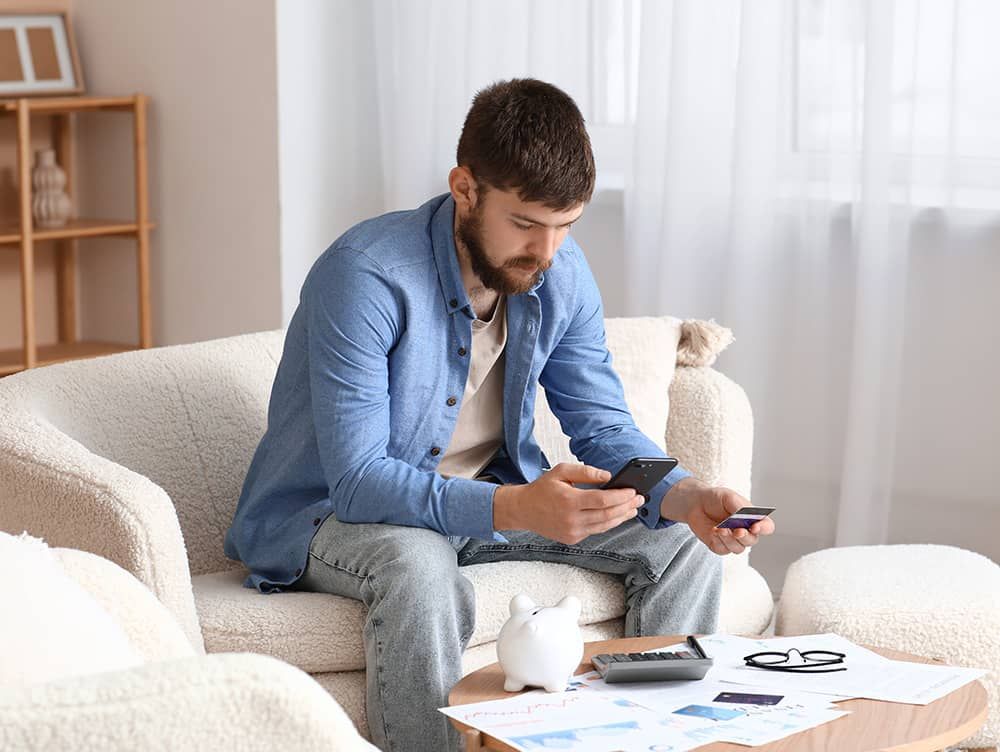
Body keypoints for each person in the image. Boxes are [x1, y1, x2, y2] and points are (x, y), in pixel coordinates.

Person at [224, 78, 775, 752]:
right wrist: (516, 508)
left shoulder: (558, 271)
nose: (546, 252)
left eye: (564, 226)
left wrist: (684, 494)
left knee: (678, 541)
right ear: (465, 189)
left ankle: (645, 743)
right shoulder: (364, 275)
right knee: (419, 569)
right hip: (333, 514)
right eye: (525, 224)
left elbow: (601, 425)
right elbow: (361, 480)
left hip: (487, 495)